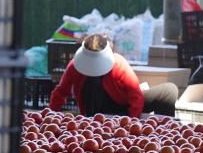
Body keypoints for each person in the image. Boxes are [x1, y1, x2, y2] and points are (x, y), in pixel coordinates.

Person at [49, 33, 178, 118]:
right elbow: (61, 92)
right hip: (94, 113)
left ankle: (165, 131)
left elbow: (135, 95)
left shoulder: (118, 63)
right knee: (93, 83)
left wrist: (131, 123)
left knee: (169, 91)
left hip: (122, 107)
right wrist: (50, 116)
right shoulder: (75, 65)